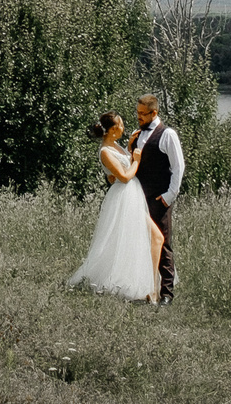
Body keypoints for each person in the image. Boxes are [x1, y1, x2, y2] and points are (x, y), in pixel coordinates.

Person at [65, 111, 161, 302]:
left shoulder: (115, 146)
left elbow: (117, 173)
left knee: (142, 240)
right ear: (112, 130)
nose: (123, 128)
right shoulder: (104, 152)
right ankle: (151, 290)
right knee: (155, 238)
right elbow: (125, 177)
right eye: (121, 125)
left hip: (132, 196)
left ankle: (150, 288)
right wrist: (136, 160)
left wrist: (129, 149)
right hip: (125, 196)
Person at [130, 94, 185, 304]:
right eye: (137, 113)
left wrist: (169, 196)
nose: (139, 117)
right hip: (138, 198)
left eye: (143, 114)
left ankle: (166, 294)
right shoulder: (136, 135)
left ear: (154, 113)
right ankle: (146, 288)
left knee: (163, 244)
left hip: (159, 197)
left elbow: (178, 167)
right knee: (141, 242)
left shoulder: (167, 134)